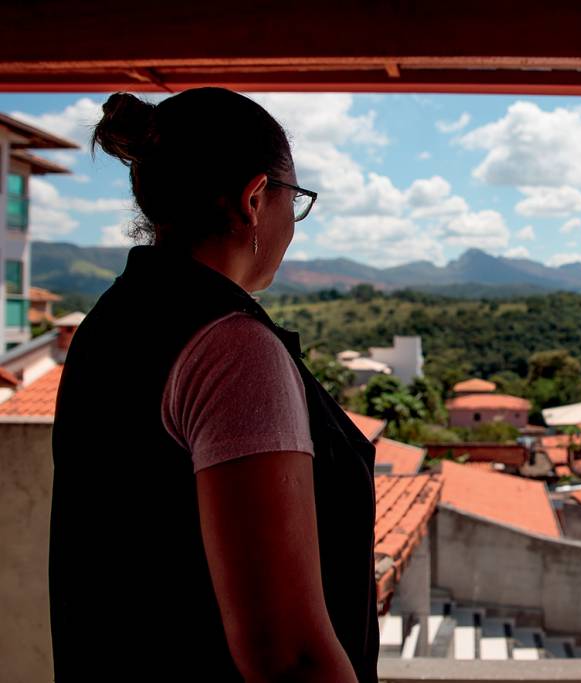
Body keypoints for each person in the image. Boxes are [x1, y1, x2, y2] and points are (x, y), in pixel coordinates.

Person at [50, 88, 378, 682]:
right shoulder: (232, 348)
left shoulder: (112, 322)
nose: (292, 226)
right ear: (256, 199)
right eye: (294, 202)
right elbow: (288, 655)